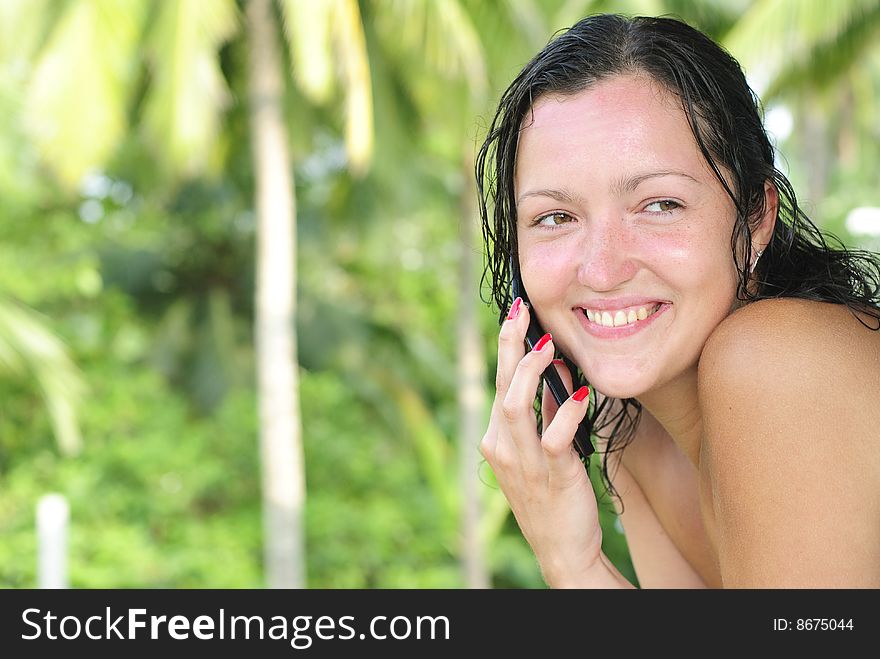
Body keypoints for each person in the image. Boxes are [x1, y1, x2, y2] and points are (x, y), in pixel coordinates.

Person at [475, 13, 880, 588]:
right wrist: (572, 559)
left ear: (756, 218)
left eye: (659, 205)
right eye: (556, 217)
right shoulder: (630, 424)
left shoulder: (776, 361)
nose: (603, 268)